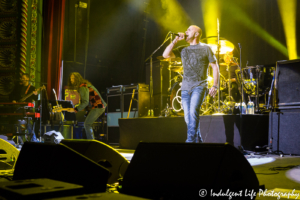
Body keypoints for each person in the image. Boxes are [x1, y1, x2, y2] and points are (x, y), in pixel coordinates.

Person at [163, 25, 219, 143]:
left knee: (193, 112)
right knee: (188, 118)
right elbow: (165, 55)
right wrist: (175, 41)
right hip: (185, 88)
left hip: (199, 86)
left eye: (189, 30)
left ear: (197, 34)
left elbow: (215, 66)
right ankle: (198, 141)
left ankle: (190, 142)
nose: (186, 31)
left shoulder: (206, 48)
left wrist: (215, 85)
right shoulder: (183, 49)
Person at [68, 72, 106, 139]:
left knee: (87, 124)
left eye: (73, 78)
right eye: (71, 78)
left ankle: (92, 142)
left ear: (77, 79)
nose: (71, 80)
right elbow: (88, 100)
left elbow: (85, 102)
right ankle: (91, 141)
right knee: (87, 124)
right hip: (98, 106)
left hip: (98, 106)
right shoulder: (85, 85)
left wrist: (76, 109)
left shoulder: (82, 87)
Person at [10, 73, 38, 143]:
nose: (22, 79)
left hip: (28, 109)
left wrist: (36, 94)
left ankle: (33, 140)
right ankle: (19, 141)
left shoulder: (32, 88)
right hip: (19, 107)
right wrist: (13, 100)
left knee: (28, 124)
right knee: (17, 124)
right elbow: (12, 95)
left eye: (24, 78)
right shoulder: (18, 87)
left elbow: (35, 98)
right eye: (22, 78)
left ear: (28, 79)